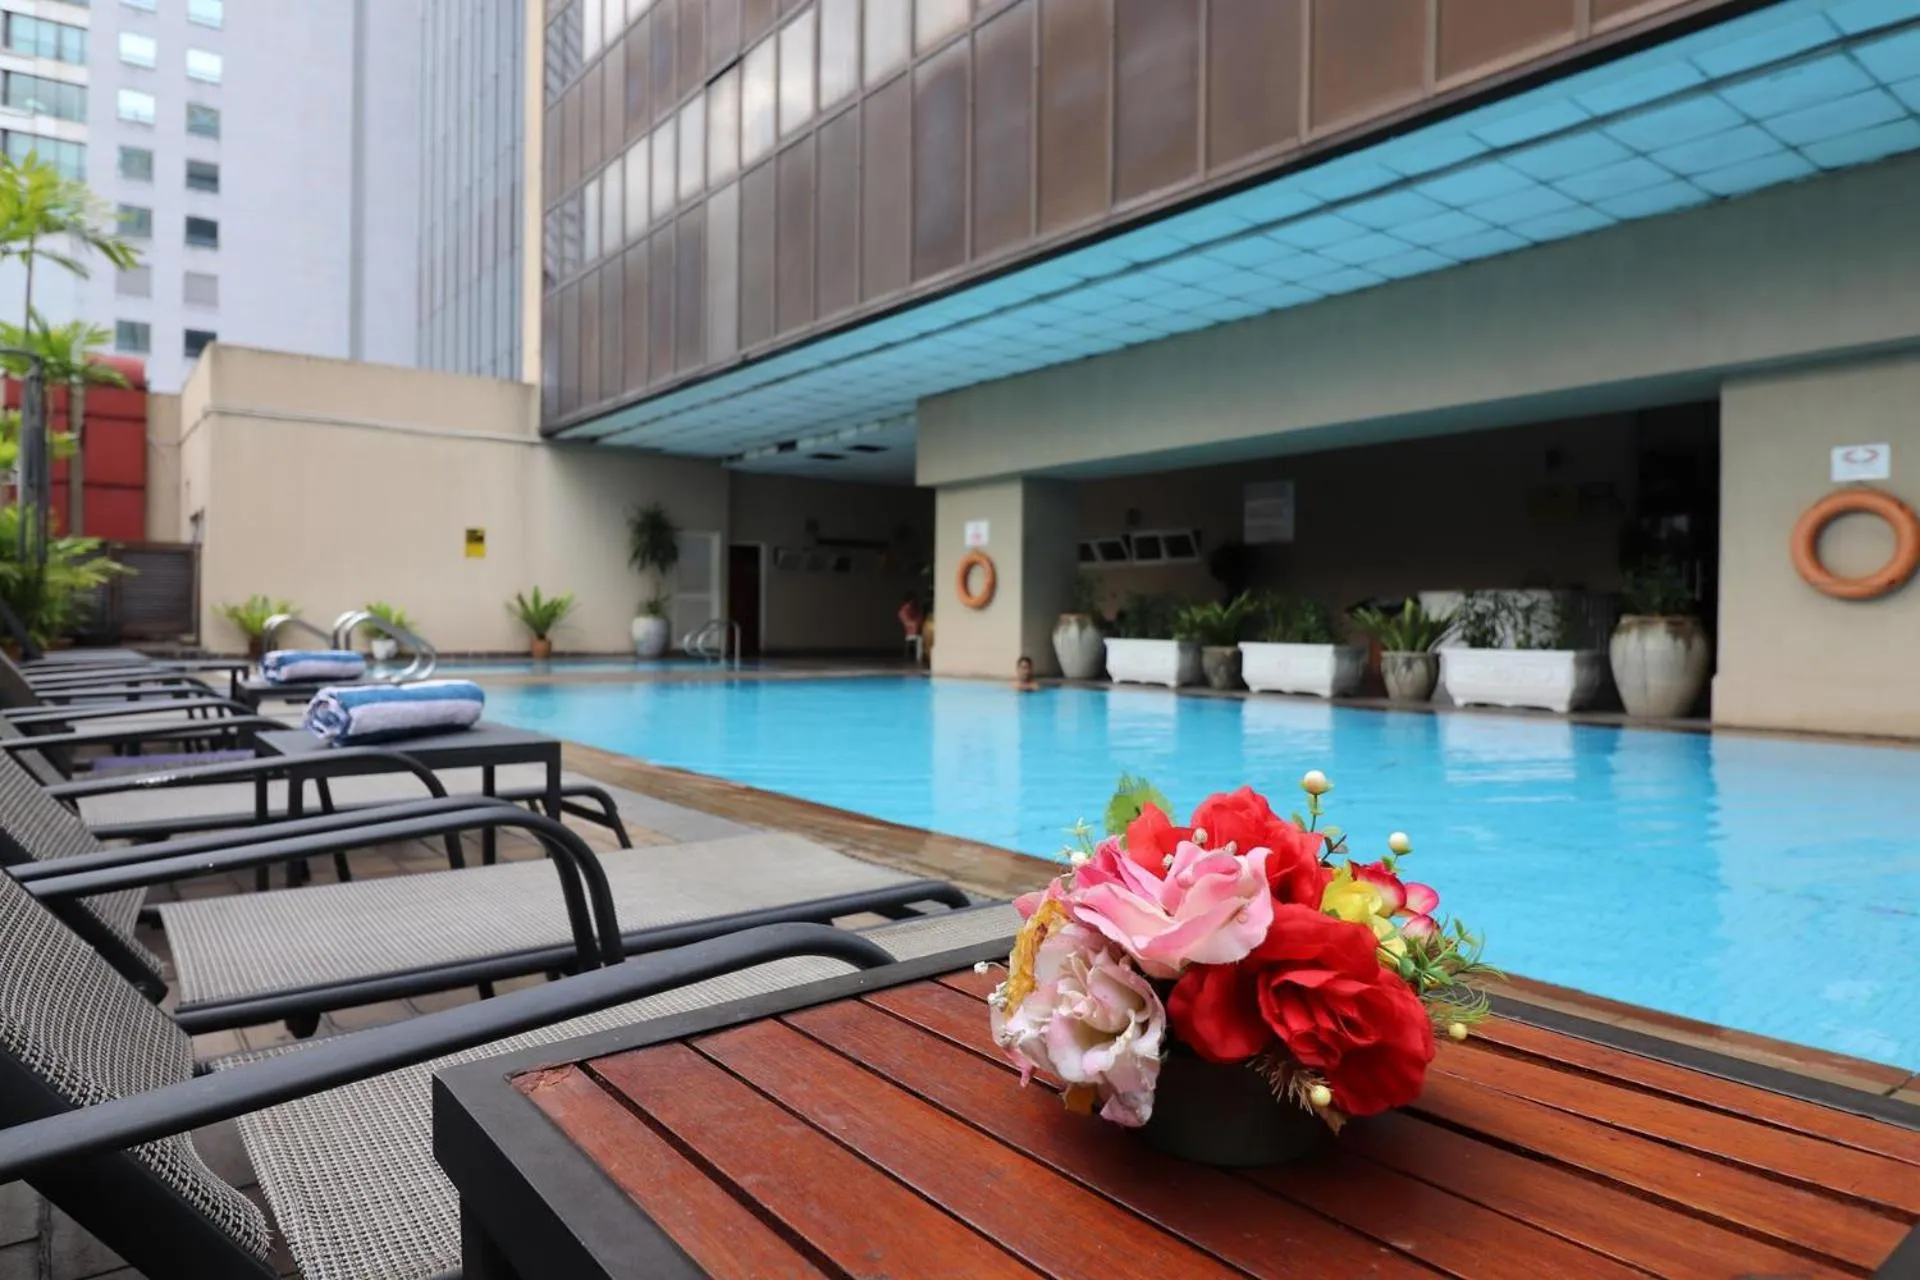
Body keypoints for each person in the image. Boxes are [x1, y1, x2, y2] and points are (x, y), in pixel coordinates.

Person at [898, 594, 924, 663]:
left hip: (918, 628)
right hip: (911, 631)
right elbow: (907, 621)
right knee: (920, 639)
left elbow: (919, 618)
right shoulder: (903, 611)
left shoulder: (914, 610)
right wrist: (914, 624)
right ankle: (919, 657)